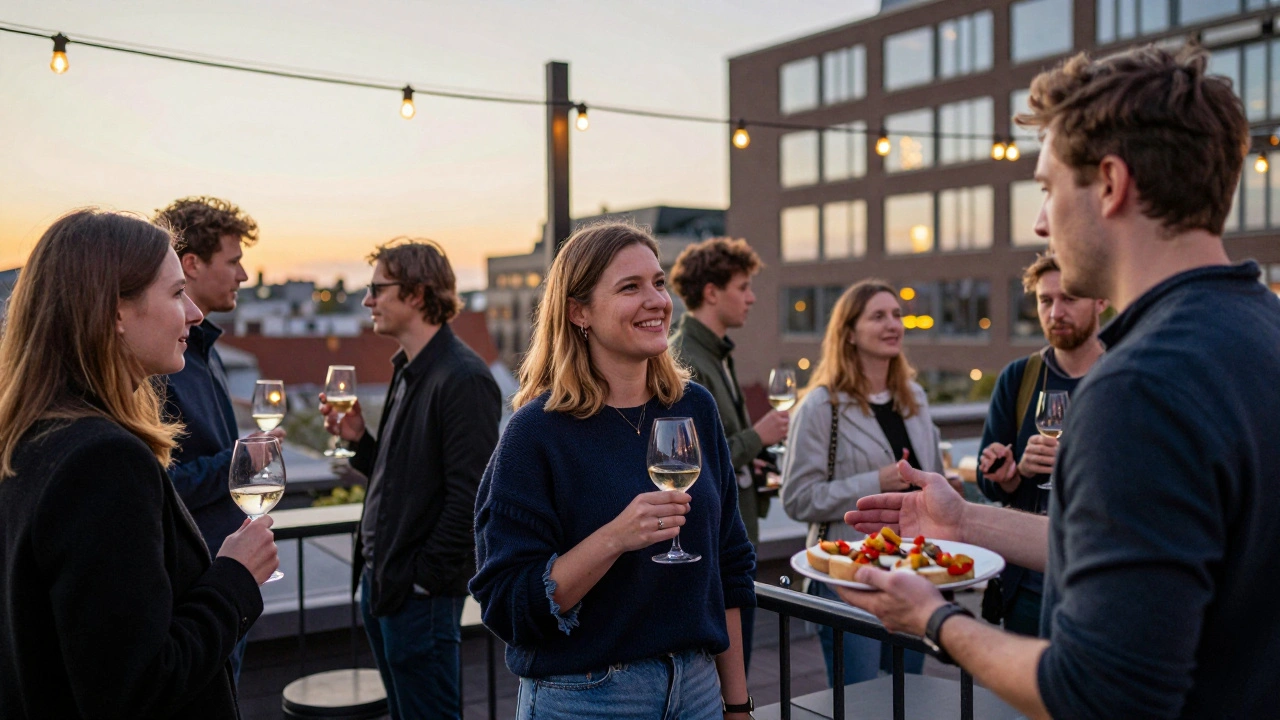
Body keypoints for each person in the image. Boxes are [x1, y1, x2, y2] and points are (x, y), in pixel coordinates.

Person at [836, 45, 1280, 720]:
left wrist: (933, 620)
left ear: (1109, 183)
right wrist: (966, 520)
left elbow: (1098, 691)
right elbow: (1160, 551)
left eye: (1046, 188)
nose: (1041, 221)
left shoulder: (1138, 388)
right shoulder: (1262, 331)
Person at [470, 222, 756, 720]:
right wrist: (615, 539)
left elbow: (728, 564)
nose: (657, 301)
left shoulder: (694, 408)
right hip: (587, 698)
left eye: (659, 283)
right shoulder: (537, 432)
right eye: (630, 287)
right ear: (579, 312)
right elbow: (506, 602)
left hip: (698, 689)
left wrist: (738, 704)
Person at [0, 209, 279, 719]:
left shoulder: (35, 436)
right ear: (114, 312)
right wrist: (235, 577)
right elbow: (138, 688)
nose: (194, 314)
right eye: (176, 294)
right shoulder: (102, 462)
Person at [320, 238, 501, 720]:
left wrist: (424, 582)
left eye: (378, 288)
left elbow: (472, 499)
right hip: (385, 585)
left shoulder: (463, 378)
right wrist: (359, 438)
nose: (367, 300)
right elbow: (403, 480)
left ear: (417, 295)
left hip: (417, 596)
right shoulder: (411, 370)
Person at [780, 279, 947, 686]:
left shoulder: (915, 398)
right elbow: (797, 499)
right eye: (878, 316)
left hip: (912, 571)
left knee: (912, 693)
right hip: (848, 577)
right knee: (859, 701)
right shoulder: (821, 406)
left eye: (896, 315)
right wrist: (876, 481)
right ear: (850, 333)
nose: (893, 324)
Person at [154, 196, 285, 680]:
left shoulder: (206, 350)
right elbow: (159, 483)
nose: (244, 275)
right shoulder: (159, 363)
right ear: (192, 264)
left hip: (226, 581)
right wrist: (241, 462)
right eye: (233, 262)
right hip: (194, 591)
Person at [668, 236, 788, 673]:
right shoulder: (685, 357)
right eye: (742, 287)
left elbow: (719, 450)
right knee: (725, 672)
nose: (752, 298)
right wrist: (757, 437)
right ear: (711, 292)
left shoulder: (718, 354)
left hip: (735, 540)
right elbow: (686, 459)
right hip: (713, 548)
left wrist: (748, 456)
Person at [975, 252, 1105, 636]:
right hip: (1028, 588)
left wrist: (1073, 463)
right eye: (1046, 300)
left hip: (1097, 583)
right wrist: (1013, 474)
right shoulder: (1020, 376)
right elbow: (990, 482)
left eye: (1069, 298)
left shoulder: (1123, 377)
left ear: (1101, 300)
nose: (1055, 312)